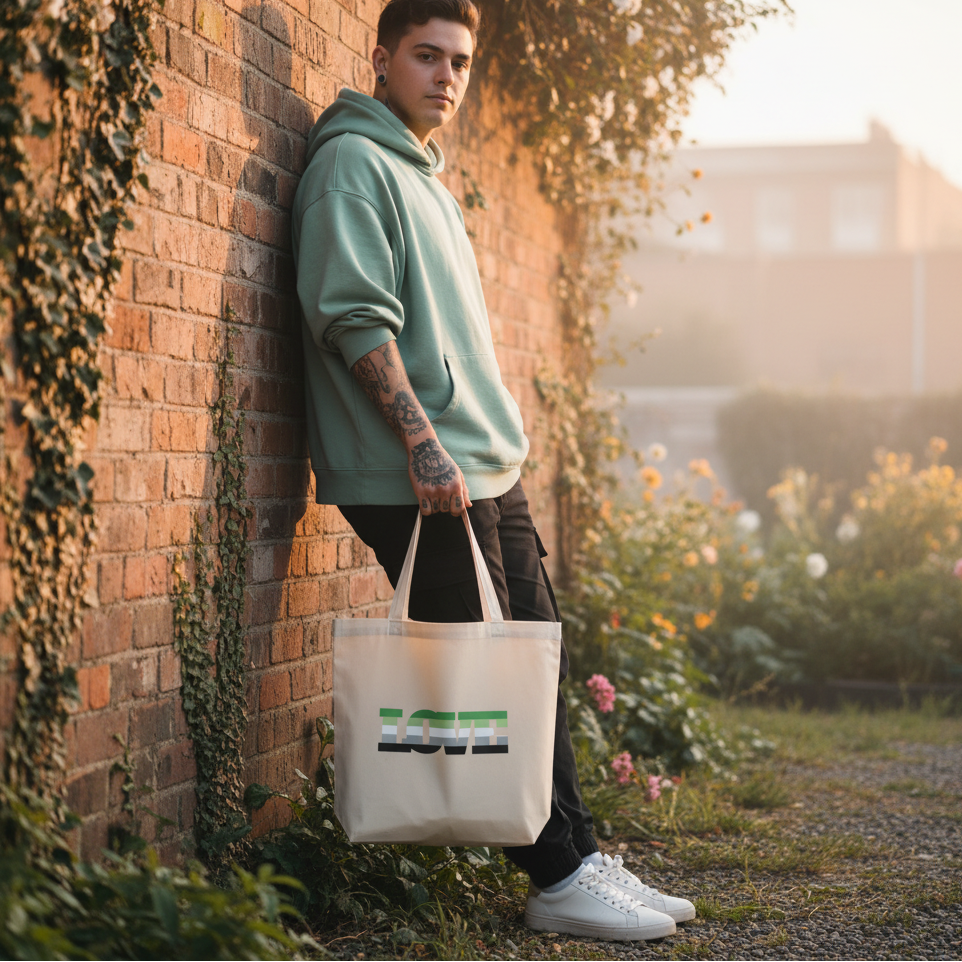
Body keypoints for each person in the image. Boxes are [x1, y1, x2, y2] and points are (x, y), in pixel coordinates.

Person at [291, 0, 696, 940]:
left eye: (460, 61)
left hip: (486, 463)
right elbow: (353, 316)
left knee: (531, 657)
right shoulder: (352, 165)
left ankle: (580, 852)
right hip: (421, 473)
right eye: (426, 56)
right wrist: (421, 441)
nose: (446, 76)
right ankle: (554, 878)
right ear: (382, 57)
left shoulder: (427, 175)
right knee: (490, 669)